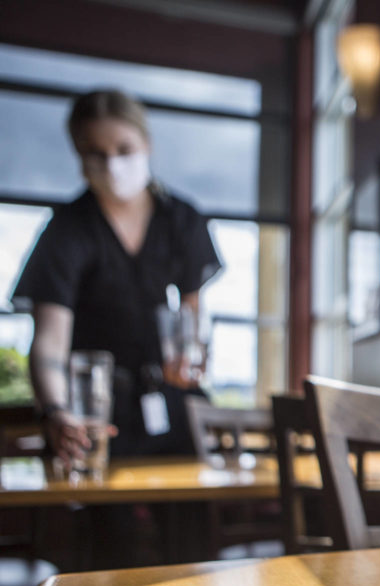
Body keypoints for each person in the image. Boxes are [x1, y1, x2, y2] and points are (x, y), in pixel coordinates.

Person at [12, 89, 222, 465]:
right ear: (78, 153)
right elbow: (49, 341)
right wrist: (57, 411)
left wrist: (194, 354)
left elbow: (193, 320)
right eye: (96, 153)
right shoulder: (68, 230)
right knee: (112, 521)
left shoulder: (180, 219)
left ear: (146, 144)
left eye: (124, 149)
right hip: (94, 410)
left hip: (169, 402)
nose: (112, 164)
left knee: (195, 509)